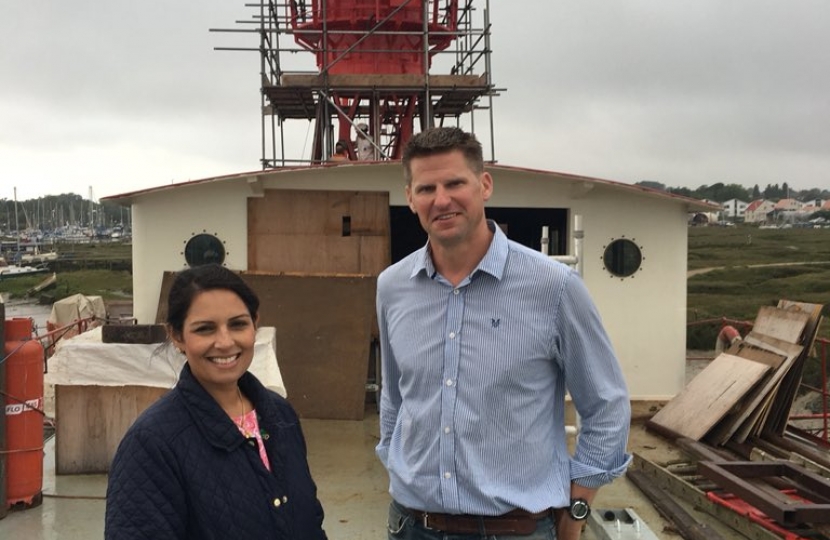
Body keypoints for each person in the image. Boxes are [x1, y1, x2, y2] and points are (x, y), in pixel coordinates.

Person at [375, 127, 631, 540]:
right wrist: (396, 461)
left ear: (485, 185)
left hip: (516, 530)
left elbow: (606, 405)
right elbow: (395, 396)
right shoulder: (392, 286)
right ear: (410, 198)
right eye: (426, 188)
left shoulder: (555, 287)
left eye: (455, 183)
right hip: (411, 525)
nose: (441, 200)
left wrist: (577, 510)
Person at [105, 264, 328, 540]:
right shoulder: (152, 445)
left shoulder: (279, 414)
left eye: (238, 324)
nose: (224, 342)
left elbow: (310, 520)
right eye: (205, 329)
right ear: (176, 336)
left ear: (255, 324)